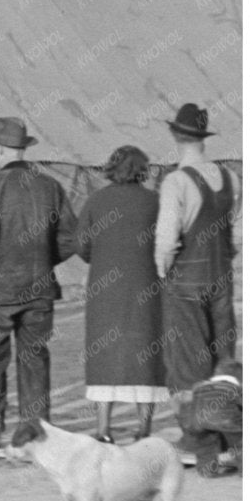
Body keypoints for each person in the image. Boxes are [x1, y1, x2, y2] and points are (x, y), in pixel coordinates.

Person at [0, 116, 79, 443]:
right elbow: (72, 238)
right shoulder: (50, 186)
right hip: (39, 287)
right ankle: (35, 428)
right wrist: (44, 257)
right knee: (34, 357)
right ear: (23, 149)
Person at [78, 144, 169, 442]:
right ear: (143, 170)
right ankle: (144, 427)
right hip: (147, 286)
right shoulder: (155, 202)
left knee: (104, 355)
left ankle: (103, 429)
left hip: (105, 289)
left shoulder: (96, 201)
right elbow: (168, 242)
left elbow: (81, 245)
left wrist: (102, 256)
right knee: (147, 353)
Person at [154, 104, 238, 397]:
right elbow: (233, 227)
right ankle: (226, 424)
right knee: (223, 356)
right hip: (221, 276)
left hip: (186, 281)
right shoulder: (230, 178)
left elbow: (166, 241)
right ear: (204, 137)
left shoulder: (175, 181)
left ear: (176, 136)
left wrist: (163, 271)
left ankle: (196, 433)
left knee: (188, 360)